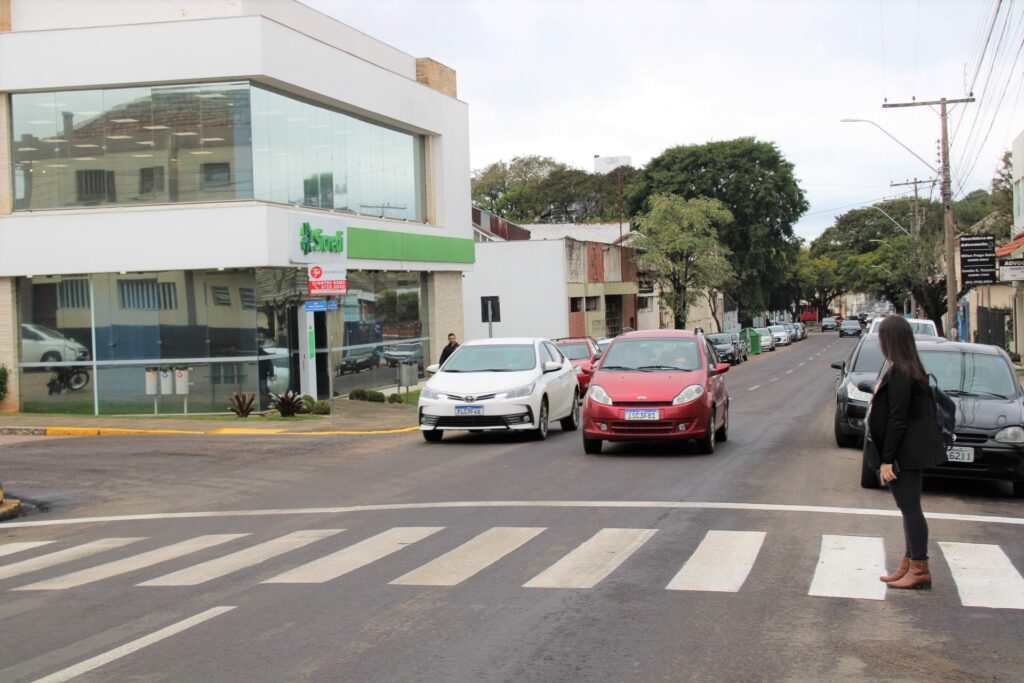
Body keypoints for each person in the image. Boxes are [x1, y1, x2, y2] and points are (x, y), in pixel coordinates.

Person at [866, 315, 947, 590]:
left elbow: (897, 419)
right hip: (910, 450)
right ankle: (909, 562)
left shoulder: (901, 372)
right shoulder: (908, 368)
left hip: (905, 453)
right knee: (908, 507)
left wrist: (887, 460)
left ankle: (920, 568)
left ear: (889, 341)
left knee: (910, 508)